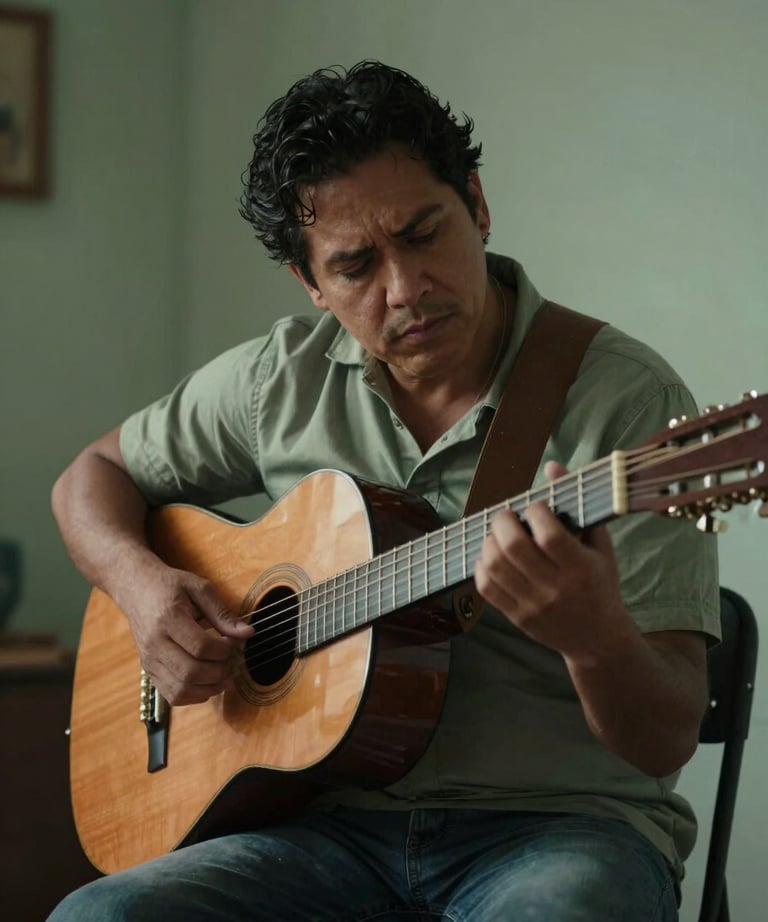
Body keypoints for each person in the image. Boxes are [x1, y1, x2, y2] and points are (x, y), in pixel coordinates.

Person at [48, 61, 719, 921]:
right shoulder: (277, 381)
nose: (405, 289)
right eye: (356, 265)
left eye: (424, 232)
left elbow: (665, 736)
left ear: (476, 204)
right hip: (316, 831)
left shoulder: (627, 402)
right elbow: (89, 480)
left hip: (560, 829)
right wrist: (143, 591)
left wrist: (593, 640)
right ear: (311, 284)